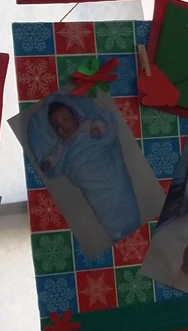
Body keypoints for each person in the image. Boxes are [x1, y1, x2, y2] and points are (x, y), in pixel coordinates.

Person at [29, 96, 144, 247]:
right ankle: (117, 231)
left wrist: (97, 130)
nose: (62, 126)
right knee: (101, 205)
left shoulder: (86, 125)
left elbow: (101, 123)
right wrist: (47, 164)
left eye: (65, 119)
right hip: (89, 180)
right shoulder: (62, 145)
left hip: (108, 170)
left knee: (120, 191)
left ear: (75, 115)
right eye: (57, 126)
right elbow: (53, 158)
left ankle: (129, 223)